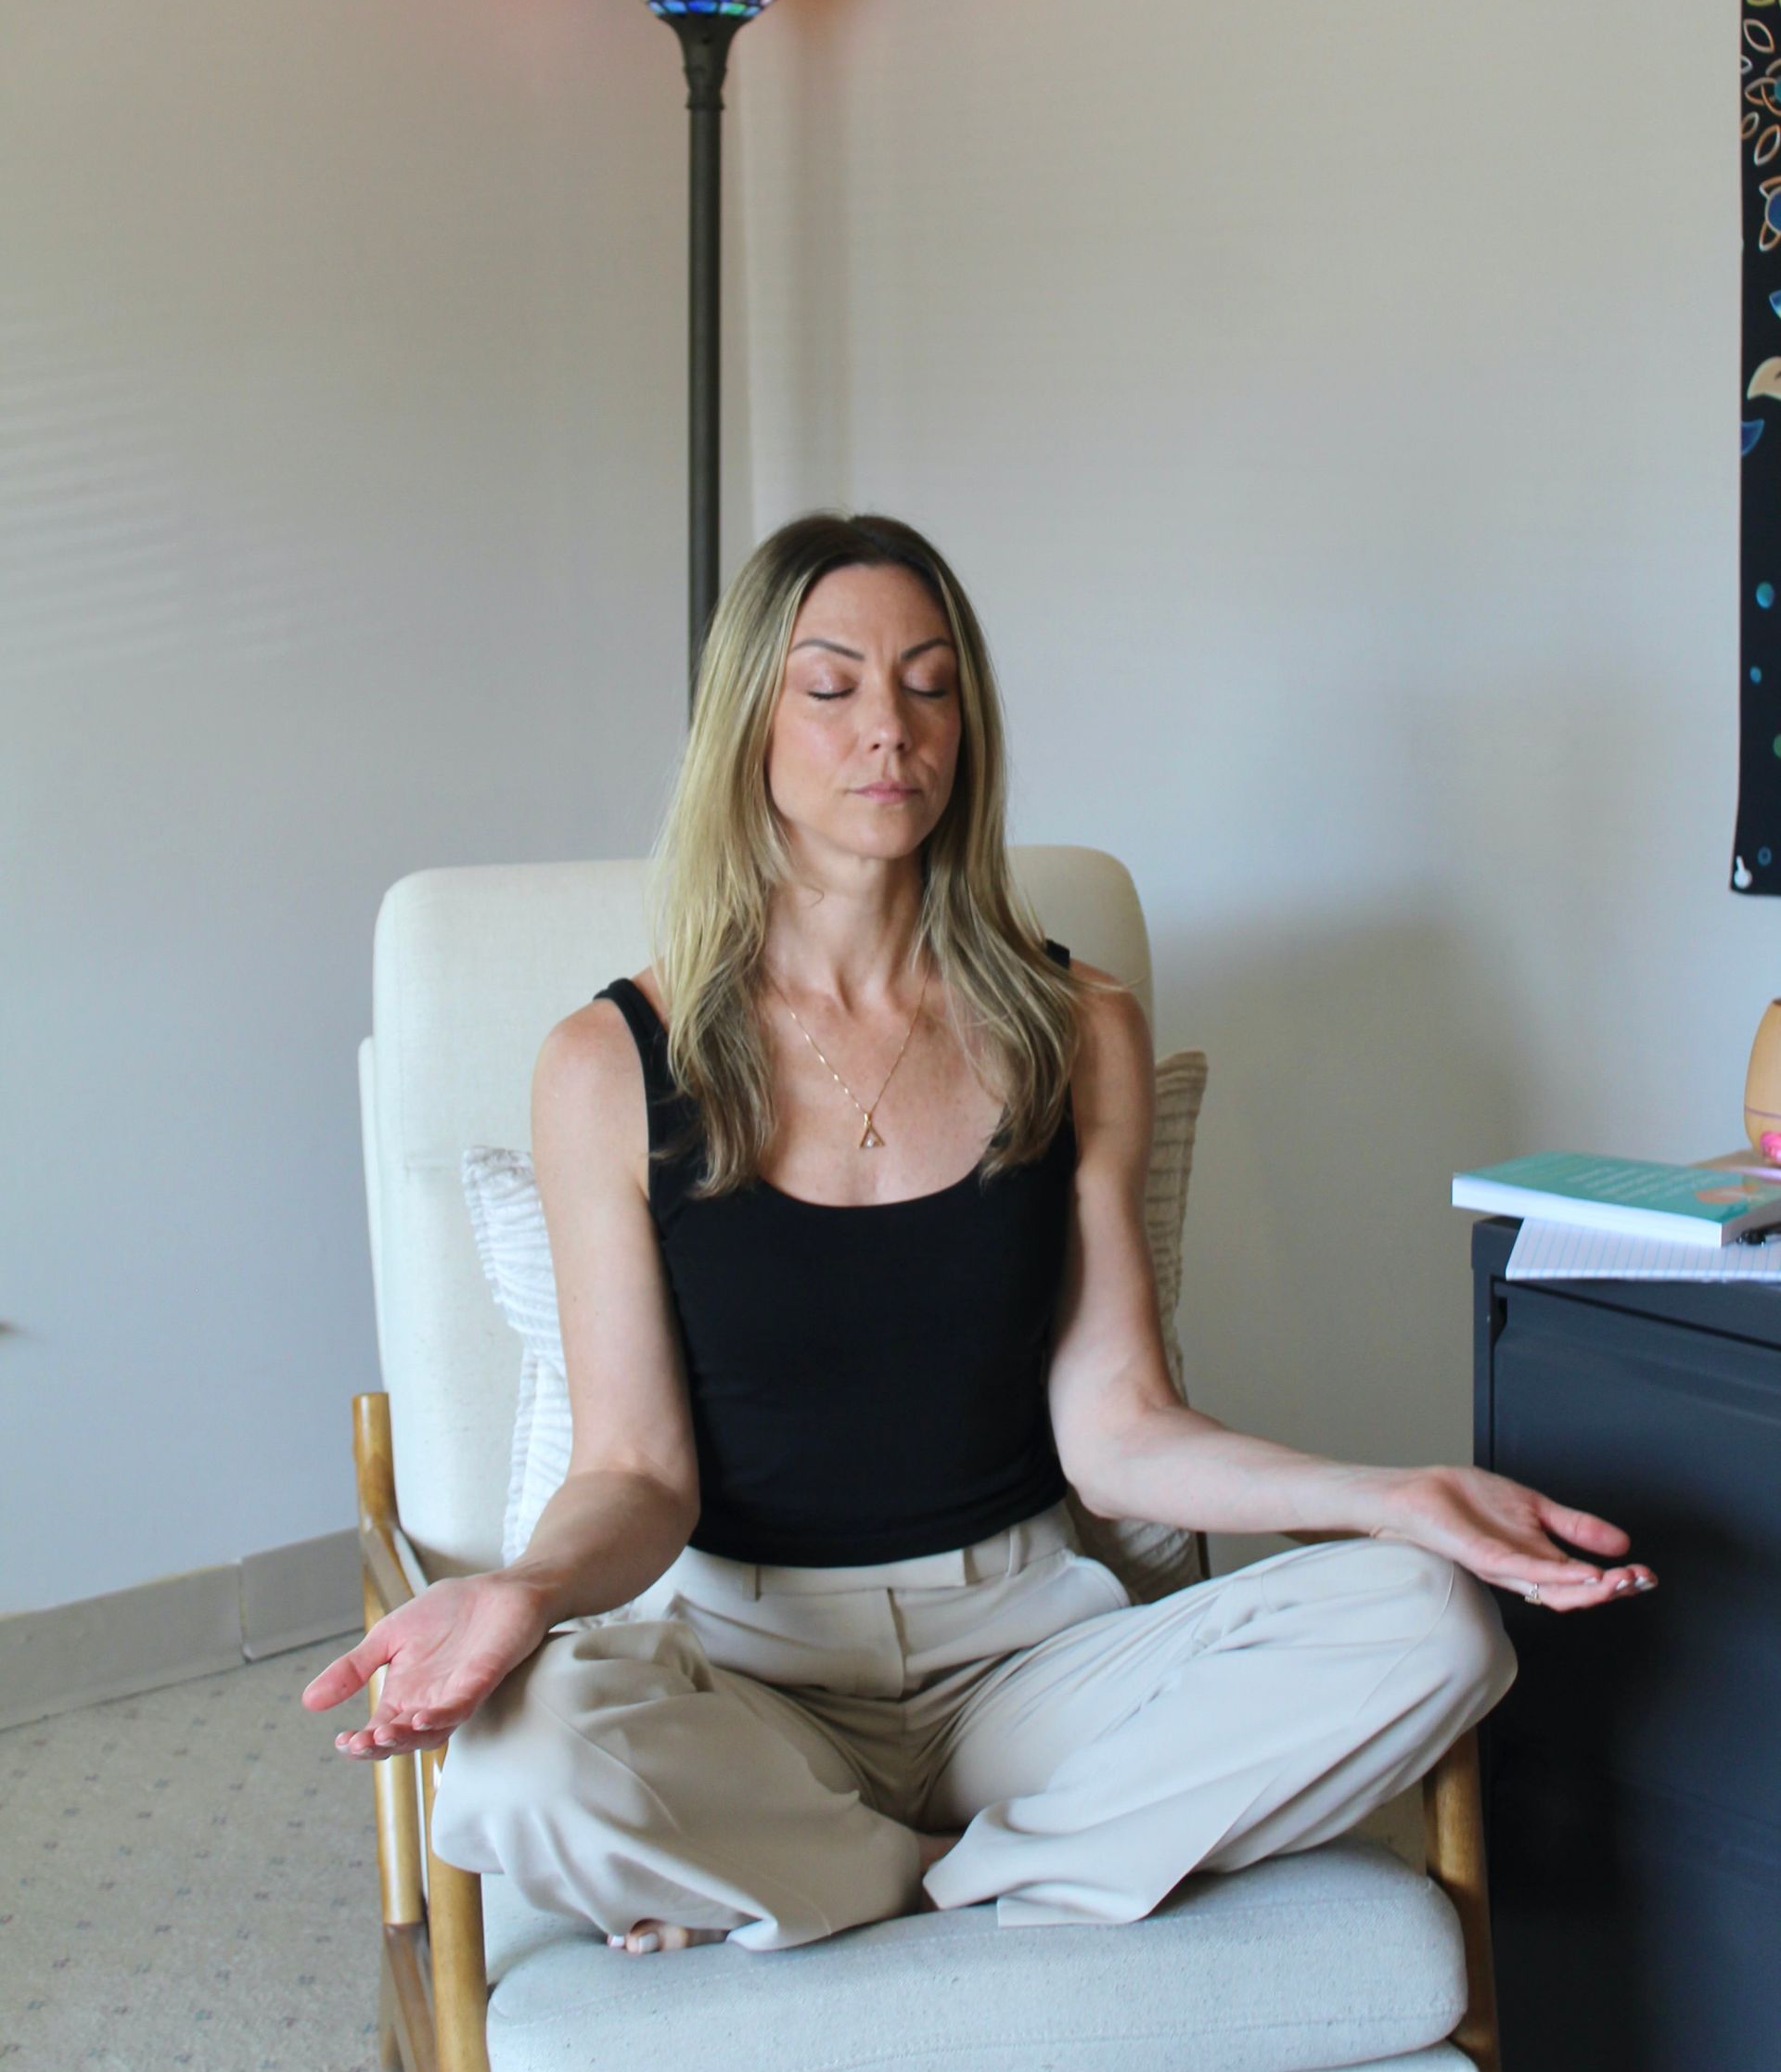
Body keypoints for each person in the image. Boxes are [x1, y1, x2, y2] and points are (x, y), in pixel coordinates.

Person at [302, 510, 1658, 1957]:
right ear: (748, 727)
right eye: (832, 687)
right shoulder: (609, 1065)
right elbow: (637, 1474)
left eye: (930, 683)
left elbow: (1121, 1428)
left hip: (1026, 1654)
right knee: (521, 1771)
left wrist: (1388, 1497)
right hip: (751, 1673)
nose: (890, 727)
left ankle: (884, 1881)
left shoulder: (1077, 1028)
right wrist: (517, 1593)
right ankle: (979, 1869)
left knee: (1433, 1622)